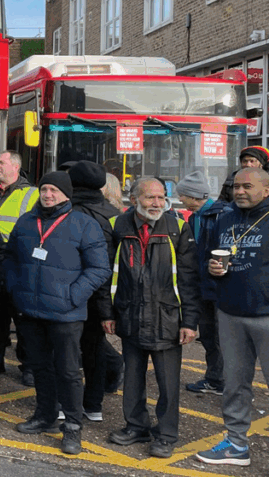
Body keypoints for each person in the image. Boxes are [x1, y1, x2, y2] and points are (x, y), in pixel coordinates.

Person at [3, 171, 109, 455]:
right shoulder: (26, 222)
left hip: (66, 313)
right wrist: (15, 288)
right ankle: (45, 415)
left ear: (66, 194)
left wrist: (72, 295)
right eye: (44, 189)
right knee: (39, 367)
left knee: (68, 371)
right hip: (30, 310)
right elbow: (10, 257)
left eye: (54, 191)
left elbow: (99, 269)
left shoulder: (84, 224)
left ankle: (72, 426)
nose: (48, 195)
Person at [103, 177, 200, 459]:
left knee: (168, 383)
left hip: (167, 317)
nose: (157, 203)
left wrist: (190, 321)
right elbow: (106, 274)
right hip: (130, 314)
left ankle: (167, 435)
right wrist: (106, 312)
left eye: (161, 198)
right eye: (150, 198)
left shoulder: (178, 227)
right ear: (133, 200)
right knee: (132, 377)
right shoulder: (117, 226)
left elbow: (189, 280)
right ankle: (136, 426)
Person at [196, 167, 269, 467]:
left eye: (247, 186)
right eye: (236, 186)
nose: (239, 191)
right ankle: (236, 444)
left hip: (266, 315)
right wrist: (213, 271)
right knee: (235, 383)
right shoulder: (224, 218)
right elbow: (208, 259)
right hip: (230, 312)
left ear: (266, 190)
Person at [67, 161, 121, 422]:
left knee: (66, 349)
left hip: (70, 290)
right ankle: (93, 404)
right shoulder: (113, 213)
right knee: (95, 349)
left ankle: (65, 404)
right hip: (103, 292)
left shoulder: (68, 209)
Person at [0, 151, 39, 384]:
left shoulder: (32, 194)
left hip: (17, 258)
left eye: (1, 163)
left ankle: (28, 365)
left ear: (15, 167)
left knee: (22, 314)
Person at [176, 171, 227, 396]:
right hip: (203, 287)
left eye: (183, 196)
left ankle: (219, 380)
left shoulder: (219, 215)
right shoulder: (195, 216)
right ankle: (216, 379)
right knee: (209, 335)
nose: (180, 200)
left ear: (193, 196)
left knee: (217, 336)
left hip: (216, 287)